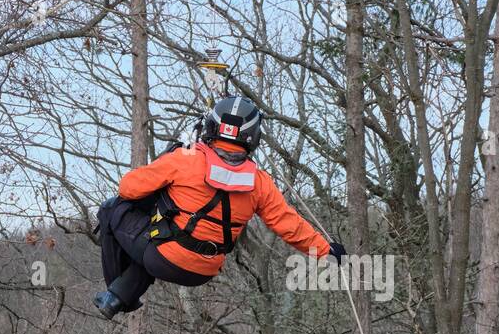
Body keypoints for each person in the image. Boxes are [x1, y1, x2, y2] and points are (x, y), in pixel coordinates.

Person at [94, 95, 345, 318]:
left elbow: (128, 188)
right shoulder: (259, 182)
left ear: (211, 127)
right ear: (252, 136)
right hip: (203, 271)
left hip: (163, 258)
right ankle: (117, 295)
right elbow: (287, 223)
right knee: (159, 244)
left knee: (111, 209)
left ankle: (114, 292)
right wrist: (324, 249)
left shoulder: (186, 160)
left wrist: (165, 163)